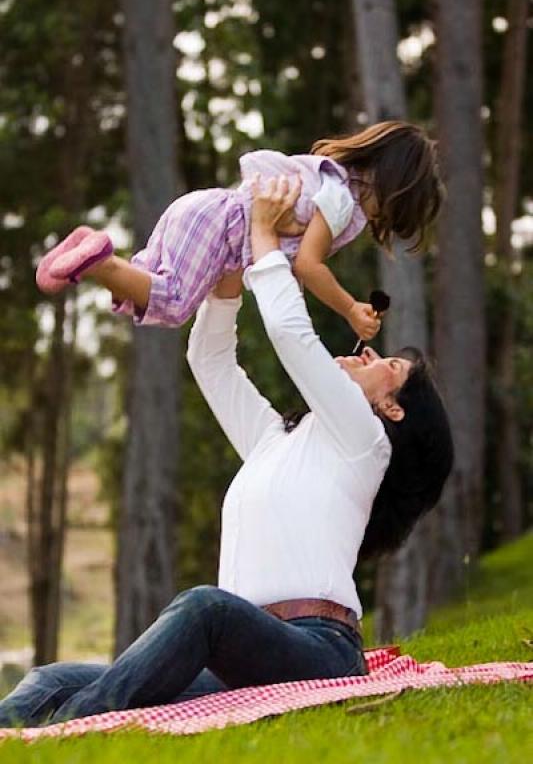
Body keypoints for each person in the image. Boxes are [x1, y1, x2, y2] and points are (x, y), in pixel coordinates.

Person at [1, 177, 453, 728]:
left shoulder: (366, 443)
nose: (371, 354)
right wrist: (230, 271)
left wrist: (264, 237)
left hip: (318, 652)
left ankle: (61, 734)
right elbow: (210, 361)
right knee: (48, 678)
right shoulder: (276, 442)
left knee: (204, 607)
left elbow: (290, 332)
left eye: (392, 367)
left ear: (394, 409)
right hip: (242, 656)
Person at [36, 121, 443, 343]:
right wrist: (350, 309)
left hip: (202, 211)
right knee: (173, 303)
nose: (377, 222)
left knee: (149, 283)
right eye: (387, 214)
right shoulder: (340, 201)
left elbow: (284, 259)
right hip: (218, 226)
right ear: (392, 189)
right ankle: (100, 261)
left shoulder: (329, 179)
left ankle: (87, 248)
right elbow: (308, 265)